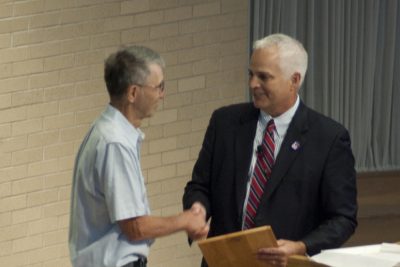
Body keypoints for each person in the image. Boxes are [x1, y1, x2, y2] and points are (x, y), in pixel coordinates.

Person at [183, 33, 357, 267]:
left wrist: (301, 246)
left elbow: (342, 218)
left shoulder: (328, 139)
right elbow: (199, 186)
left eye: (264, 77)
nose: (253, 84)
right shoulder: (225, 123)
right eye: (251, 74)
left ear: (294, 80)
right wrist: (197, 210)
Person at [69, 46, 208, 267]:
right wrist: (185, 220)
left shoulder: (107, 131)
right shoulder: (115, 142)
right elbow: (135, 227)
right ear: (133, 93)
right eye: (159, 87)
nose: (162, 95)